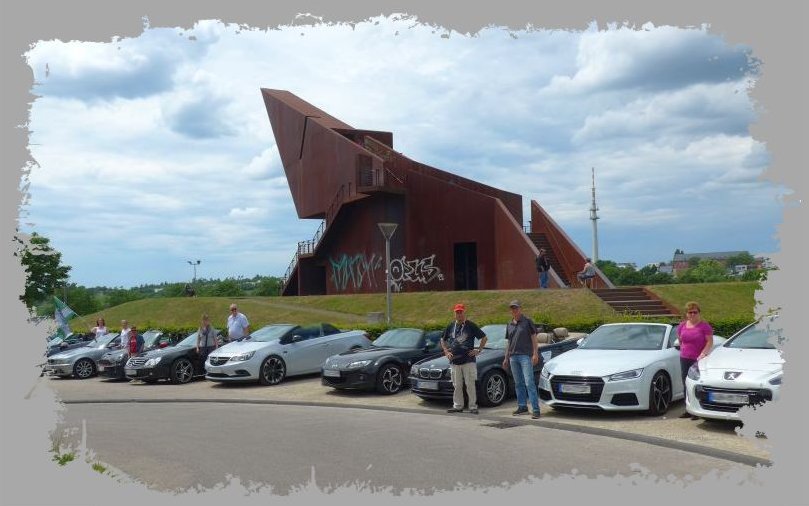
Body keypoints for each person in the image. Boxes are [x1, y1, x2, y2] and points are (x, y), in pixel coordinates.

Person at [441, 303, 487, 415]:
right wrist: (446, 351)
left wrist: (478, 350)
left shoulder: (470, 325)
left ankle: (472, 407)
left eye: (461, 312)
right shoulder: (451, 326)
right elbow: (443, 339)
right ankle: (458, 406)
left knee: (470, 384)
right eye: (457, 312)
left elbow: (484, 338)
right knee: (457, 385)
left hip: (468, 360)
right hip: (454, 361)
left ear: (464, 312)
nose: (459, 314)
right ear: (454, 314)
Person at [502, 300, 541, 419]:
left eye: (516, 308)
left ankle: (535, 409)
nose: (514, 310)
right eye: (512, 309)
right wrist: (506, 357)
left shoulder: (527, 321)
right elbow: (509, 342)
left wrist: (535, 353)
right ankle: (522, 406)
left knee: (529, 382)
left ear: (520, 309)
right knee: (518, 383)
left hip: (525, 356)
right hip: (513, 357)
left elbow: (534, 338)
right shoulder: (509, 324)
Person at [677, 301, 714, 418]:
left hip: (698, 359)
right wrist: (683, 349)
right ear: (686, 314)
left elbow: (709, 341)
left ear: (699, 313)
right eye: (690, 312)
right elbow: (680, 340)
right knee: (686, 383)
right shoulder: (682, 326)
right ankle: (688, 408)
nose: (692, 314)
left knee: (696, 383)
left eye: (695, 312)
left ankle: (697, 409)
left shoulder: (704, 326)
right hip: (684, 358)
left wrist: (703, 354)